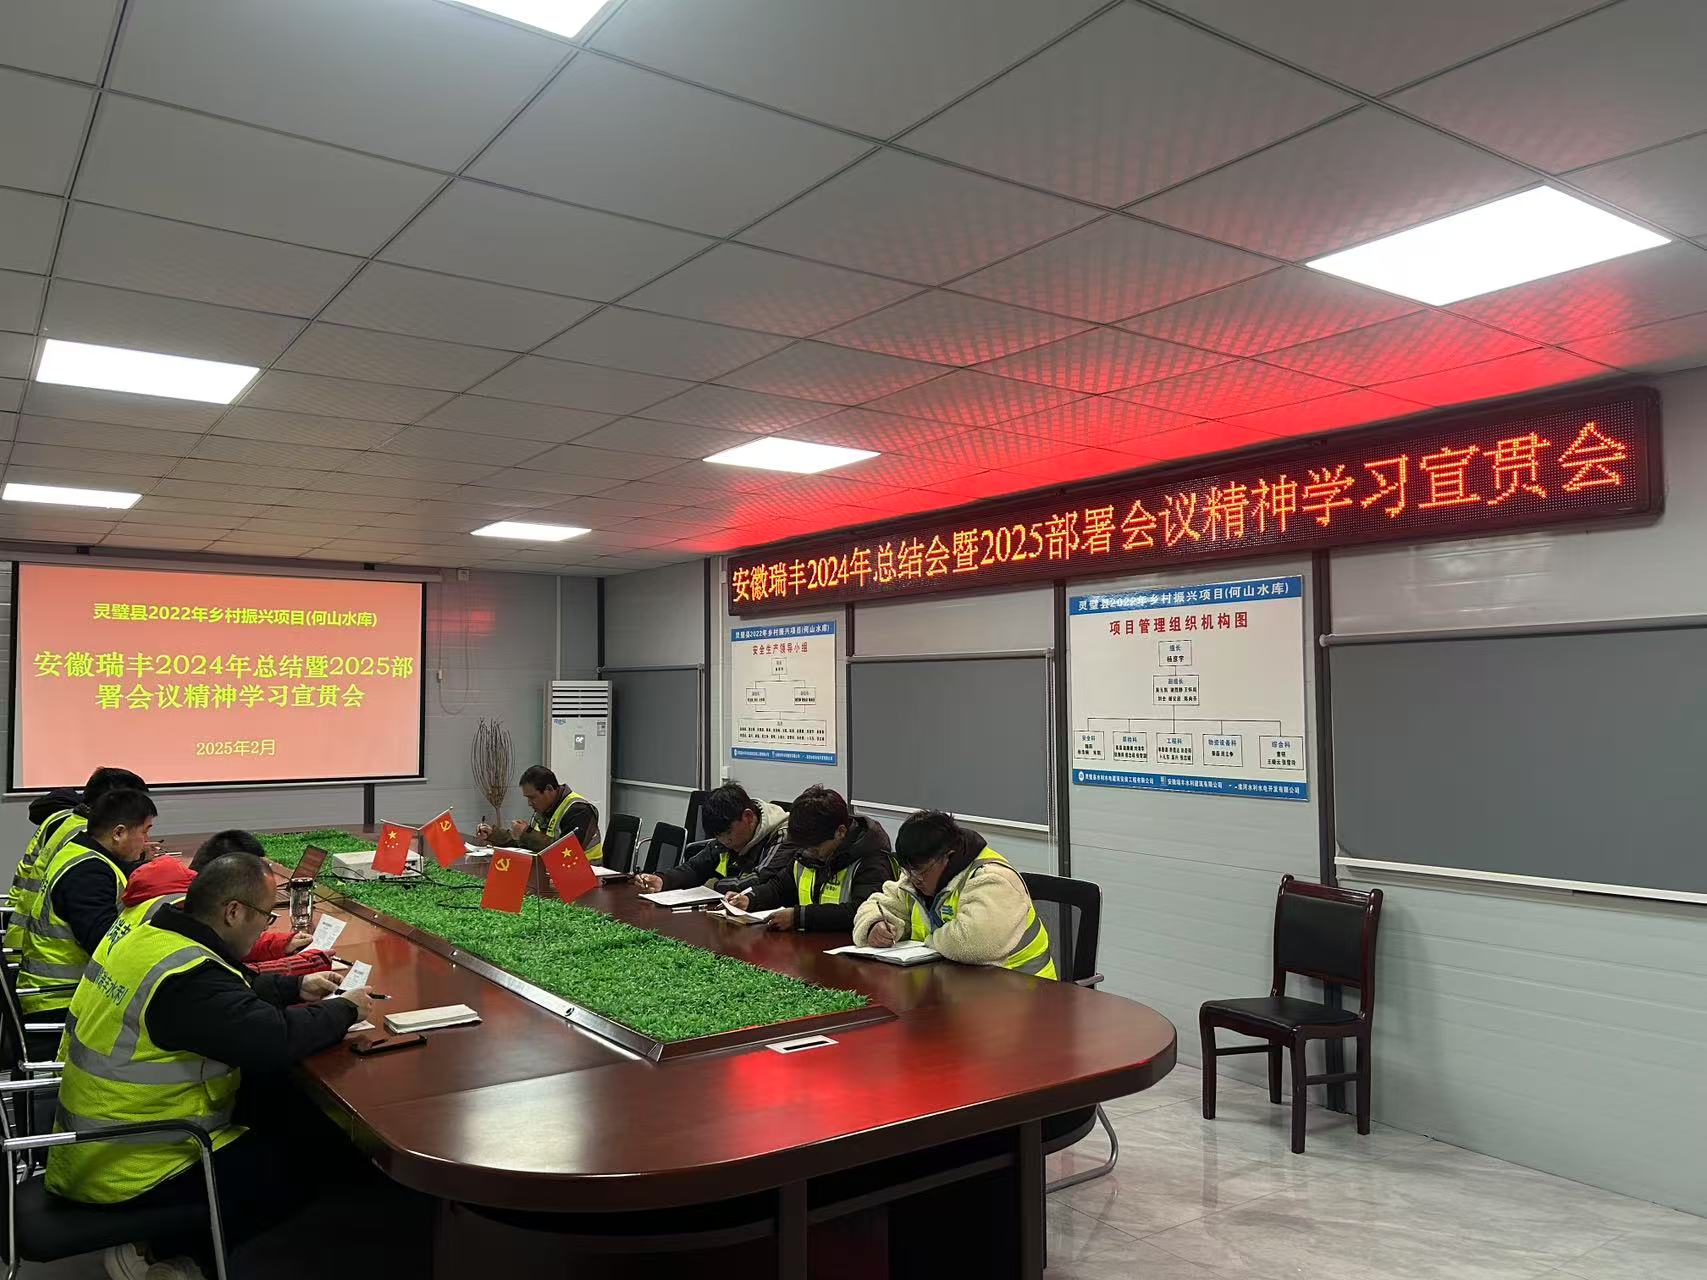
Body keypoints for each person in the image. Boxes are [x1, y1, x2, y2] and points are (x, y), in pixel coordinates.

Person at [48, 854, 375, 1279]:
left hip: (94, 1143)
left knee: (275, 1104)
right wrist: (345, 1009)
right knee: (306, 1160)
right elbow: (272, 1039)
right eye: (265, 915)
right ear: (233, 911)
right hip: (135, 1163)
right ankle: (167, 1257)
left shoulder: (154, 938)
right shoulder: (187, 979)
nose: (266, 927)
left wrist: (295, 986)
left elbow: (228, 992)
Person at [852, 810, 1056, 979]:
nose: (914, 879)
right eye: (908, 871)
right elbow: (876, 905)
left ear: (948, 857)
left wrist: (927, 942)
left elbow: (976, 941)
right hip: (960, 989)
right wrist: (874, 925)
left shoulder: (993, 878)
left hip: (1024, 992)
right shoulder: (916, 876)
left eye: (921, 872)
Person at [17, 788, 156, 1016]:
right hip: (61, 1001)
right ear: (118, 833)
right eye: (145, 831)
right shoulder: (89, 873)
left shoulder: (79, 851)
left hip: (58, 993)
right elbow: (105, 945)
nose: (147, 841)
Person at [5, 767, 146, 954]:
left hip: (26, 930)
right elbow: (101, 942)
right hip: (45, 948)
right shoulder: (87, 844)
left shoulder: (61, 818)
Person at [121, 830, 313, 962]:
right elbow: (233, 974)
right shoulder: (183, 908)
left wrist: (280, 944)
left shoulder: (167, 892)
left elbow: (220, 941)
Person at [726, 786, 892, 932]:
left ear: (840, 832)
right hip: (809, 944)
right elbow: (779, 887)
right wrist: (750, 899)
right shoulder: (806, 849)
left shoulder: (872, 858)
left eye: (814, 848)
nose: (808, 853)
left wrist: (799, 917)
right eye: (804, 847)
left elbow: (861, 910)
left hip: (851, 948)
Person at [634, 782, 790, 893]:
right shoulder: (726, 834)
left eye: (728, 833)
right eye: (719, 836)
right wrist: (663, 880)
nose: (725, 841)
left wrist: (714, 885)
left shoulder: (782, 834)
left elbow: (760, 879)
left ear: (748, 817)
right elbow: (695, 867)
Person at [474, 765, 602, 861]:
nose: (529, 803)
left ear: (549, 789)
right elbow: (526, 843)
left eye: (532, 797)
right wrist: (493, 834)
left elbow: (564, 853)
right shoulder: (544, 808)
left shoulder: (579, 810)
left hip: (588, 874)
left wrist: (525, 833)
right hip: (548, 871)